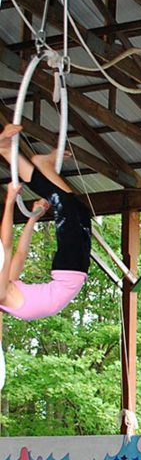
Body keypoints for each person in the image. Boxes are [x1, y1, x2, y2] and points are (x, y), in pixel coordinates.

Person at [0, 124, 91, 321]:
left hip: (69, 271)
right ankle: (42, 165)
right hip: (72, 272)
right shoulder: (1, 294)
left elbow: (16, 251)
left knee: (64, 203)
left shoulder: (6, 286)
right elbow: (8, 249)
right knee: (80, 211)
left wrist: (27, 216)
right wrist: (13, 205)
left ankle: (8, 152)